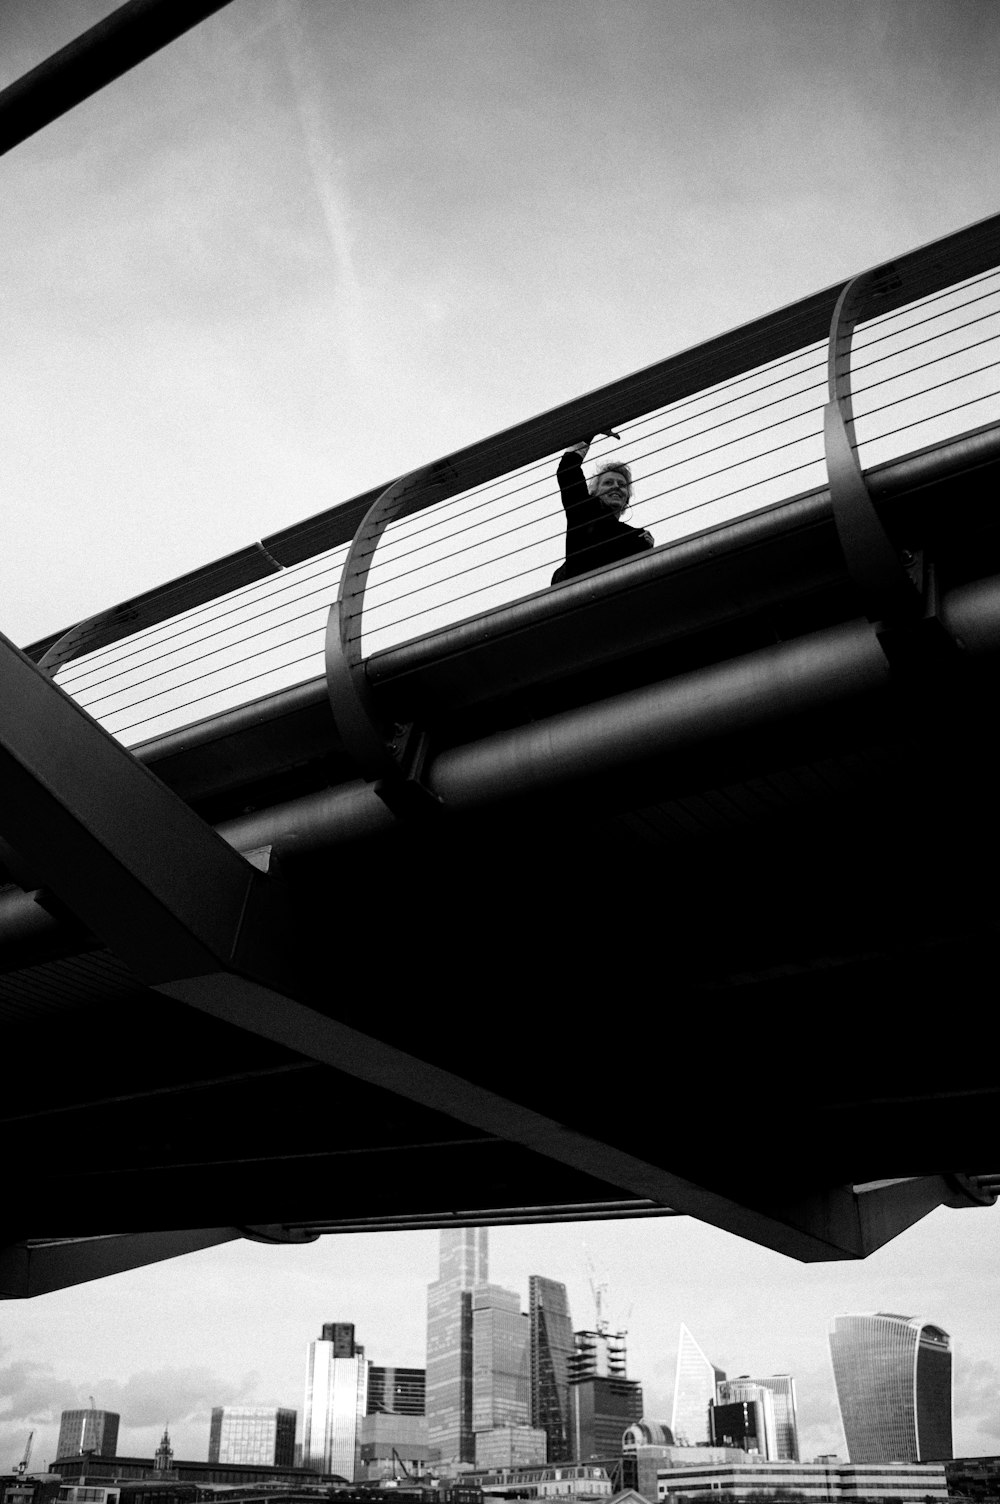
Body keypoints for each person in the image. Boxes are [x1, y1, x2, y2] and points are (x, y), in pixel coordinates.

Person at [551, 434, 653, 584]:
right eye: (608, 483)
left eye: (622, 484)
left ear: (627, 497)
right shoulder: (584, 510)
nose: (616, 487)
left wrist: (647, 547)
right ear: (594, 493)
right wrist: (590, 430)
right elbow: (568, 472)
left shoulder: (637, 536)